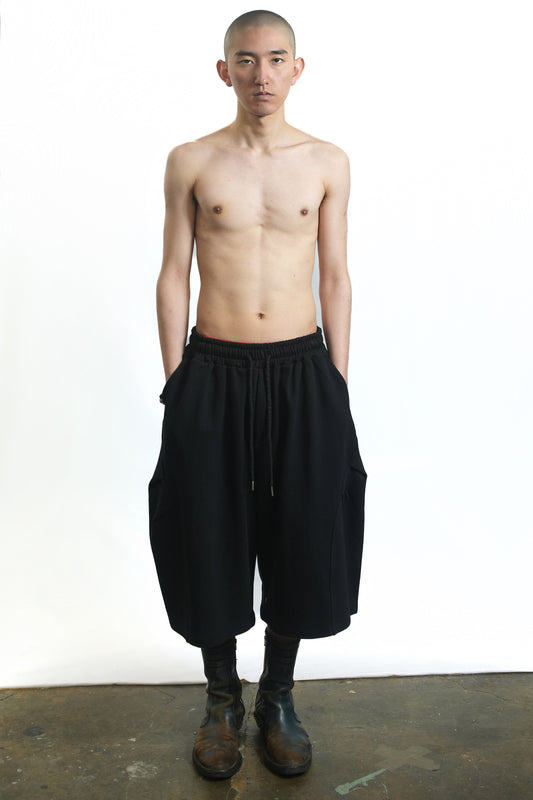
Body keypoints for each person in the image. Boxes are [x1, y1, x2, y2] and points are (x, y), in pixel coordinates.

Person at [149, 9, 366, 780]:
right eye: (245, 60)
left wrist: (336, 379)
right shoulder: (192, 160)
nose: (261, 74)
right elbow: (173, 272)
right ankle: (220, 701)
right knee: (204, 524)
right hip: (213, 367)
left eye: (276, 59)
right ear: (224, 71)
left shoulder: (326, 162)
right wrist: (176, 378)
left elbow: (334, 274)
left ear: (297, 69)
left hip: (301, 369)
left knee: (303, 526)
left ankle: (276, 697)